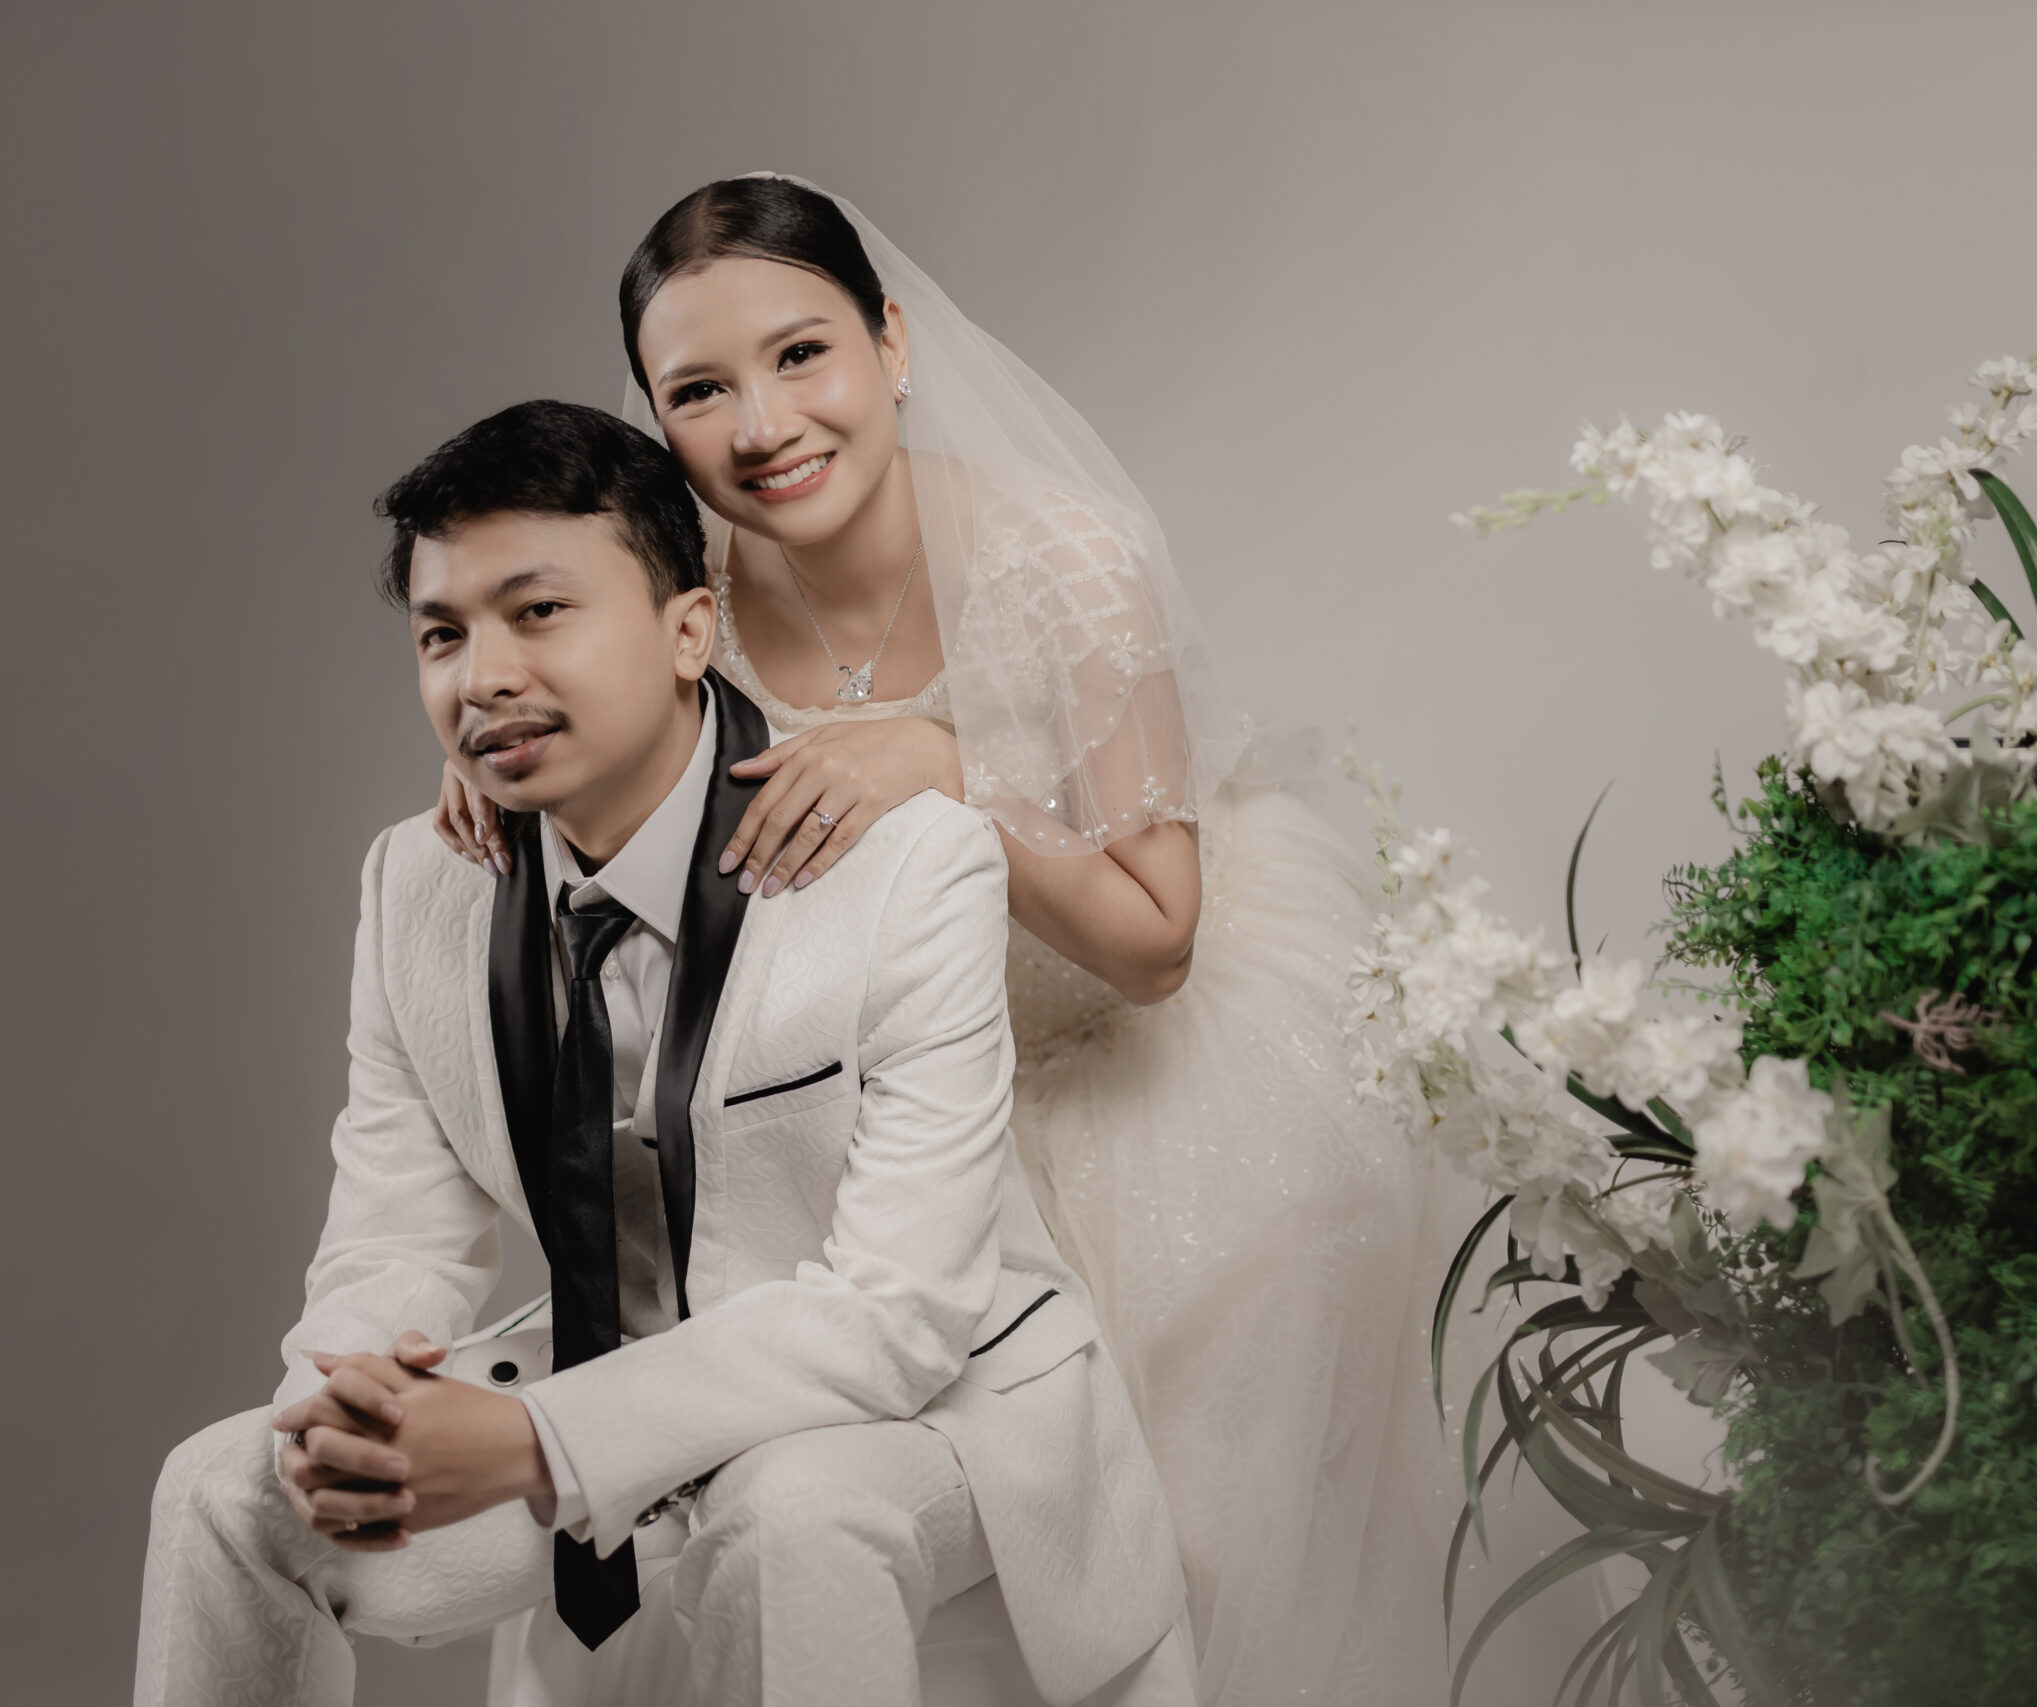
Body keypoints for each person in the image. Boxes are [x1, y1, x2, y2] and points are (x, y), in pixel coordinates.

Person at [434, 178, 1597, 1706]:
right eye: (699, 391)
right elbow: (546, 678)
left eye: (803, 355)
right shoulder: (683, 585)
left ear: (892, 343)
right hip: (871, 1089)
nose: (764, 424)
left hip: (1114, 1052)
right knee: (769, 1482)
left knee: (1180, 1512)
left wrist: (948, 773)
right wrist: (505, 751)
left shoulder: (1062, 558)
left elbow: (1158, 944)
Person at [136, 399, 1194, 1707]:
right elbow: (393, 1241)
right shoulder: (419, 882)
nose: (484, 677)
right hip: (616, 1378)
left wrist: (537, 1441)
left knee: (792, 1512)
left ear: (691, 630)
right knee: (222, 1491)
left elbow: (898, 1315)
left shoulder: (908, 861)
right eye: (442, 635)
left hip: (933, 1399)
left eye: (539, 612)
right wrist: (340, 1402)